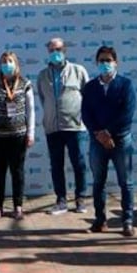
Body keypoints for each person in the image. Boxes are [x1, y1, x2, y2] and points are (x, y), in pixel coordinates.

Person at [81, 45, 136, 236]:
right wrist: (99, 134)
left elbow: (127, 114)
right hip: (97, 141)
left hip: (120, 140)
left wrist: (109, 133)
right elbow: (86, 114)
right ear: (97, 63)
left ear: (116, 63)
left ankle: (127, 221)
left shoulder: (125, 85)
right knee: (98, 182)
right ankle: (99, 220)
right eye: (101, 61)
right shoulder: (90, 87)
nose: (105, 64)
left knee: (126, 182)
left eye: (108, 60)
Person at [36, 37, 90, 215]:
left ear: (64, 50)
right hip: (53, 127)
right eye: (51, 50)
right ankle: (61, 200)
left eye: (58, 49)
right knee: (56, 164)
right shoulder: (42, 75)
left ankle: (81, 199)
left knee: (79, 164)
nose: (55, 53)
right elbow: (44, 100)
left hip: (75, 127)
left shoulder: (78, 70)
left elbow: (87, 97)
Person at [0, 51, 35, 220]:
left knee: (17, 171)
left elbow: (31, 110)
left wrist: (31, 132)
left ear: (16, 64)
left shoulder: (25, 83)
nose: (7, 65)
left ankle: (18, 206)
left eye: (10, 61)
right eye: (4, 62)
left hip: (18, 135)